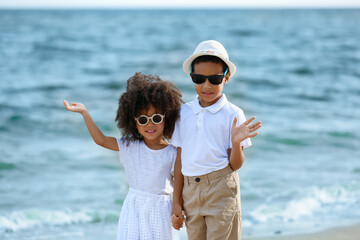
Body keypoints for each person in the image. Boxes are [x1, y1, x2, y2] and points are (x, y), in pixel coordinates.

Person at [63, 72, 183, 240]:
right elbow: (101, 140)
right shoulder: (130, 146)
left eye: (156, 118)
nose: (150, 124)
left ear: (167, 119)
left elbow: (179, 186)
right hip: (133, 209)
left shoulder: (174, 152)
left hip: (161, 210)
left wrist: (178, 209)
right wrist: (85, 112)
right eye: (142, 119)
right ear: (133, 122)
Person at [171, 40, 262, 240]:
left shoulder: (233, 114)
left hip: (221, 188)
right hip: (190, 190)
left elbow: (235, 165)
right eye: (199, 78)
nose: (206, 85)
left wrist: (236, 142)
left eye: (214, 79)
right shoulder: (183, 112)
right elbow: (179, 159)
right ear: (191, 77)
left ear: (226, 77)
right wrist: (176, 202)